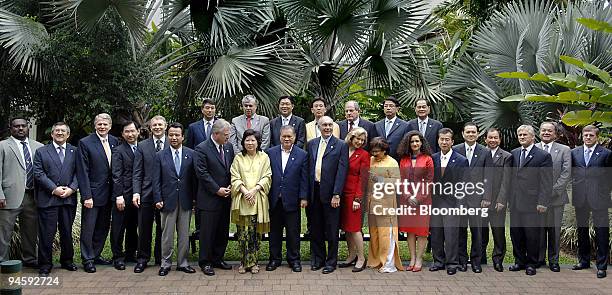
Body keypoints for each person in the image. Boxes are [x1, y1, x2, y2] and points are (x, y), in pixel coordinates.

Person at [76, 113, 118, 273]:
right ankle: (87, 259)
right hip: (92, 195)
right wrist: (87, 196)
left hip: (109, 194)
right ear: (95, 125)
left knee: (103, 226)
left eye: (105, 124)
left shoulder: (115, 141)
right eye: (99, 124)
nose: (102, 127)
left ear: (110, 126)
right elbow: (82, 171)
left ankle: (96, 254)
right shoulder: (85, 143)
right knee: (89, 228)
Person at [508, 125, 552, 276]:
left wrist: (543, 201)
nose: (521, 137)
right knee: (516, 233)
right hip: (514, 201)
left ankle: (532, 263)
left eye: (525, 135)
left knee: (532, 234)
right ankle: (519, 261)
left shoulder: (543, 156)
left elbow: (546, 182)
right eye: (519, 134)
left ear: (533, 137)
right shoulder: (513, 153)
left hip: (532, 202)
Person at [154, 122, 197, 276]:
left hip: (185, 200)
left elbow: (194, 179)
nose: (174, 137)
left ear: (182, 137)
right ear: (167, 136)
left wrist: (194, 198)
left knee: (184, 234)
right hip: (167, 201)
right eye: (171, 134)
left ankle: (183, 263)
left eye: (177, 135)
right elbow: (156, 179)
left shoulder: (191, 154)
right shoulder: (160, 155)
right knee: (167, 234)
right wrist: (157, 198)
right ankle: (165, 264)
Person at [33, 123, 76, 276]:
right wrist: (54, 189)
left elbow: (80, 172)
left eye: (63, 131)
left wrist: (72, 188)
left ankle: (67, 261)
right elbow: (38, 173)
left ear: (68, 134)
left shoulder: (74, 151)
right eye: (56, 131)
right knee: (47, 233)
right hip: (48, 198)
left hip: (68, 199)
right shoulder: (41, 152)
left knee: (66, 231)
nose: (59, 133)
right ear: (51, 134)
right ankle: (45, 264)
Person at [307, 116, 348, 274]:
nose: (328, 127)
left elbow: (341, 171)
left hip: (331, 194)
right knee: (316, 228)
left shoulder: (341, 145)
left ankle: (331, 262)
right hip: (314, 192)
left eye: (330, 125)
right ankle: (318, 259)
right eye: (324, 125)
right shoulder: (311, 144)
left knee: (331, 229)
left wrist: (337, 194)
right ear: (318, 126)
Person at [194, 119, 235, 276]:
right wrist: (217, 189)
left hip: (226, 197)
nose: (228, 137)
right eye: (226, 134)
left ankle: (218, 258)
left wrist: (231, 185)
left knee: (222, 231)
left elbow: (230, 169)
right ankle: (206, 262)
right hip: (209, 198)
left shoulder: (229, 147)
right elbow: (202, 173)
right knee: (207, 232)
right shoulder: (202, 148)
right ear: (215, 134)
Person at [0, 117, 43, 266]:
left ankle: (30, 259)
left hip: (32, 196)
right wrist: (0, 194)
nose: (20, 129)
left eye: (23, 126)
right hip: (8, 196)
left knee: (30, 231)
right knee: (4, 233)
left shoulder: (38, 146)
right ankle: (2, 262)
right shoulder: (3, 146)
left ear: (28, 127)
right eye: (16, 126)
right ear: (10, 128)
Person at [570, 125, 611, 279]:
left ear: (597, 137)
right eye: (585, 135)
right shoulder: (574, 153)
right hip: (580, 197)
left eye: (591, 135)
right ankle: (584, 260)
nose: (588, 137)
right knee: (582, 230)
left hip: (599, 198)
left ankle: (601, 266)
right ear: (582, 136)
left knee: (601, 232)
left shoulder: (606, 154)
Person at [266, 125, 308, 273]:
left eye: (289, 136)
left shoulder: (302, 154)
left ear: (294, 137)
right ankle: (274, 259)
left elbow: (304, 178)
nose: (287, 139)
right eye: (284, 136)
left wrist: (303, 197)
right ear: (280, 137)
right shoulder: (270, 153)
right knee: (274, 233)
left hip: (292, 200)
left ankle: (294, 260)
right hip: (274, 201)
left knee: (293, 233)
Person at [230, 129, 272, 274]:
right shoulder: (238, 158)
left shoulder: (264, 157)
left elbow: (267, 176)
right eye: (247, 140)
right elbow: (234, 177)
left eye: (253, 140)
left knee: (255, 234)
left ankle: (254, 262)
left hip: (258, 199)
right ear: (243, 142)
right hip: (242, 200)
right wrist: (245, 191)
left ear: (258, 142)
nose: (250, 143)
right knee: (243, 234)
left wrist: (254, 190)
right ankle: (243, 262)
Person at [429, 128, 468, 275]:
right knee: (436, 233)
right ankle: (438, 261)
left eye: (447, 139)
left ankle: (452, 263)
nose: (444, 142)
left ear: (452, 141)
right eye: (441, 139)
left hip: (452, 203)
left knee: (451, 234)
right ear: (438, 141)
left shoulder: (461, 160)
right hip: (435, 202)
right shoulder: (433, 158)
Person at [132, 115, 167, 272]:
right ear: (150, 127)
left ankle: (160, 259)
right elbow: (137, 172)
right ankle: (143, 259)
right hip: (146, 194)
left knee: (163, 228)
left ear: (165, 126)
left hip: (166, 194)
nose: (157, 127)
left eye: (160, 124)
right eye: (155, 125)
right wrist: (136, 192)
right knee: (144, 228)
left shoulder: (172, 143)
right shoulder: (142, 146)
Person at [535, 121, 570, 272]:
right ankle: (539, 259)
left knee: (554, 231)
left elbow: (566, 173)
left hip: (556, 198)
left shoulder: (564, 150)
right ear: (539, 132)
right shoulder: (534, 149)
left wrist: (552, 191)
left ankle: (554, 260)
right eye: (543, 130)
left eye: (549, 131)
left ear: (555, 134)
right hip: (537, 199)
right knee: (539, 230)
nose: (546, 133)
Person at [397, 130, 434, 272]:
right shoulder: (404, 159)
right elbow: (401, 180)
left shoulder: (427, 159)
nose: (415, 144)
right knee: (410, 231)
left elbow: (430, 181)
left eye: (417, 141)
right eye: (412, 141)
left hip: (423, 200)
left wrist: (418, 198)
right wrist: (408, 197)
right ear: (408, 143)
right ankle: (412, 258)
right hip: (406, 200)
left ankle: (419, 259)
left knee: (422, 231)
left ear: (421, 142)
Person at [452, 122, 486, 273]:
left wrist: (487, 197)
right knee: (460, 230)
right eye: (468, 132)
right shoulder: (455, 150)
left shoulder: (485, 152)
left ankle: (476, 261)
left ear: (478, 134)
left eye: (474, 132)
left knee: (476, 231)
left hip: (477, 199)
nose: (471, 134)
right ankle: (462, 260)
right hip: (459, 198)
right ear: (463, 133)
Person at [366, 137, 404, 273]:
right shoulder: (370, 160)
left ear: (384, 150)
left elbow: (397, 183)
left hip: (386, 204)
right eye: (373, 151)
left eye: (377, 152)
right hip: (372, 203)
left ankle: (389, 264)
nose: (375, 154)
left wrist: (379, 179)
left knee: (386, 234)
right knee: (374, 234)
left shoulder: (392, 162)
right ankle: (376, 261)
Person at [337, 127, 369, 272]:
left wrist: (358, 198)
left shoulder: (364, 155)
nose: (360, 142)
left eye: (362, 140)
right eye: (358, 139)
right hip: (341, 194)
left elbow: (363, 179)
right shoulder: (343, 149)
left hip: (354, 195)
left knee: (355, 228)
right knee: (347, 228)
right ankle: (351, 256)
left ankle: (361, 258)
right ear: (351, 137)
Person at [481, 128, 512, 272]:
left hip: (497, 201)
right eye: (490, 138)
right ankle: (480, 257)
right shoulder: (480, 154)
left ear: (500, 140)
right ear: (485, 139)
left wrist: (501, 200)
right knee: (481, 231)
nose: (493, 140)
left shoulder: (506, 156)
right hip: (481, 201)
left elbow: (506, 181)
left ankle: (498, 259)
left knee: (498, 232)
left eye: (496, 138)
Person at [110, 121, 140, 270]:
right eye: (127, 132)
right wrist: (118, 195)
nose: (130, 134)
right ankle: (118, 256)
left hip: (137, 195)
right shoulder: (118, 150)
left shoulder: (141, 148)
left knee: (133, 226)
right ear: (122, 134)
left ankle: (130, 253)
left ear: (138, 132)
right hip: (123, 195)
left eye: (133, 131)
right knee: (118, 227)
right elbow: (116, 175)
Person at [375, 96, 409, 161]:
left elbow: (406, 146)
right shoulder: (377, 125)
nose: (388, 108)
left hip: (397, 161)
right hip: (379, 160)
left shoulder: (405, 125)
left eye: (391, 106)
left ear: (397, 109)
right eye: (386, 106)